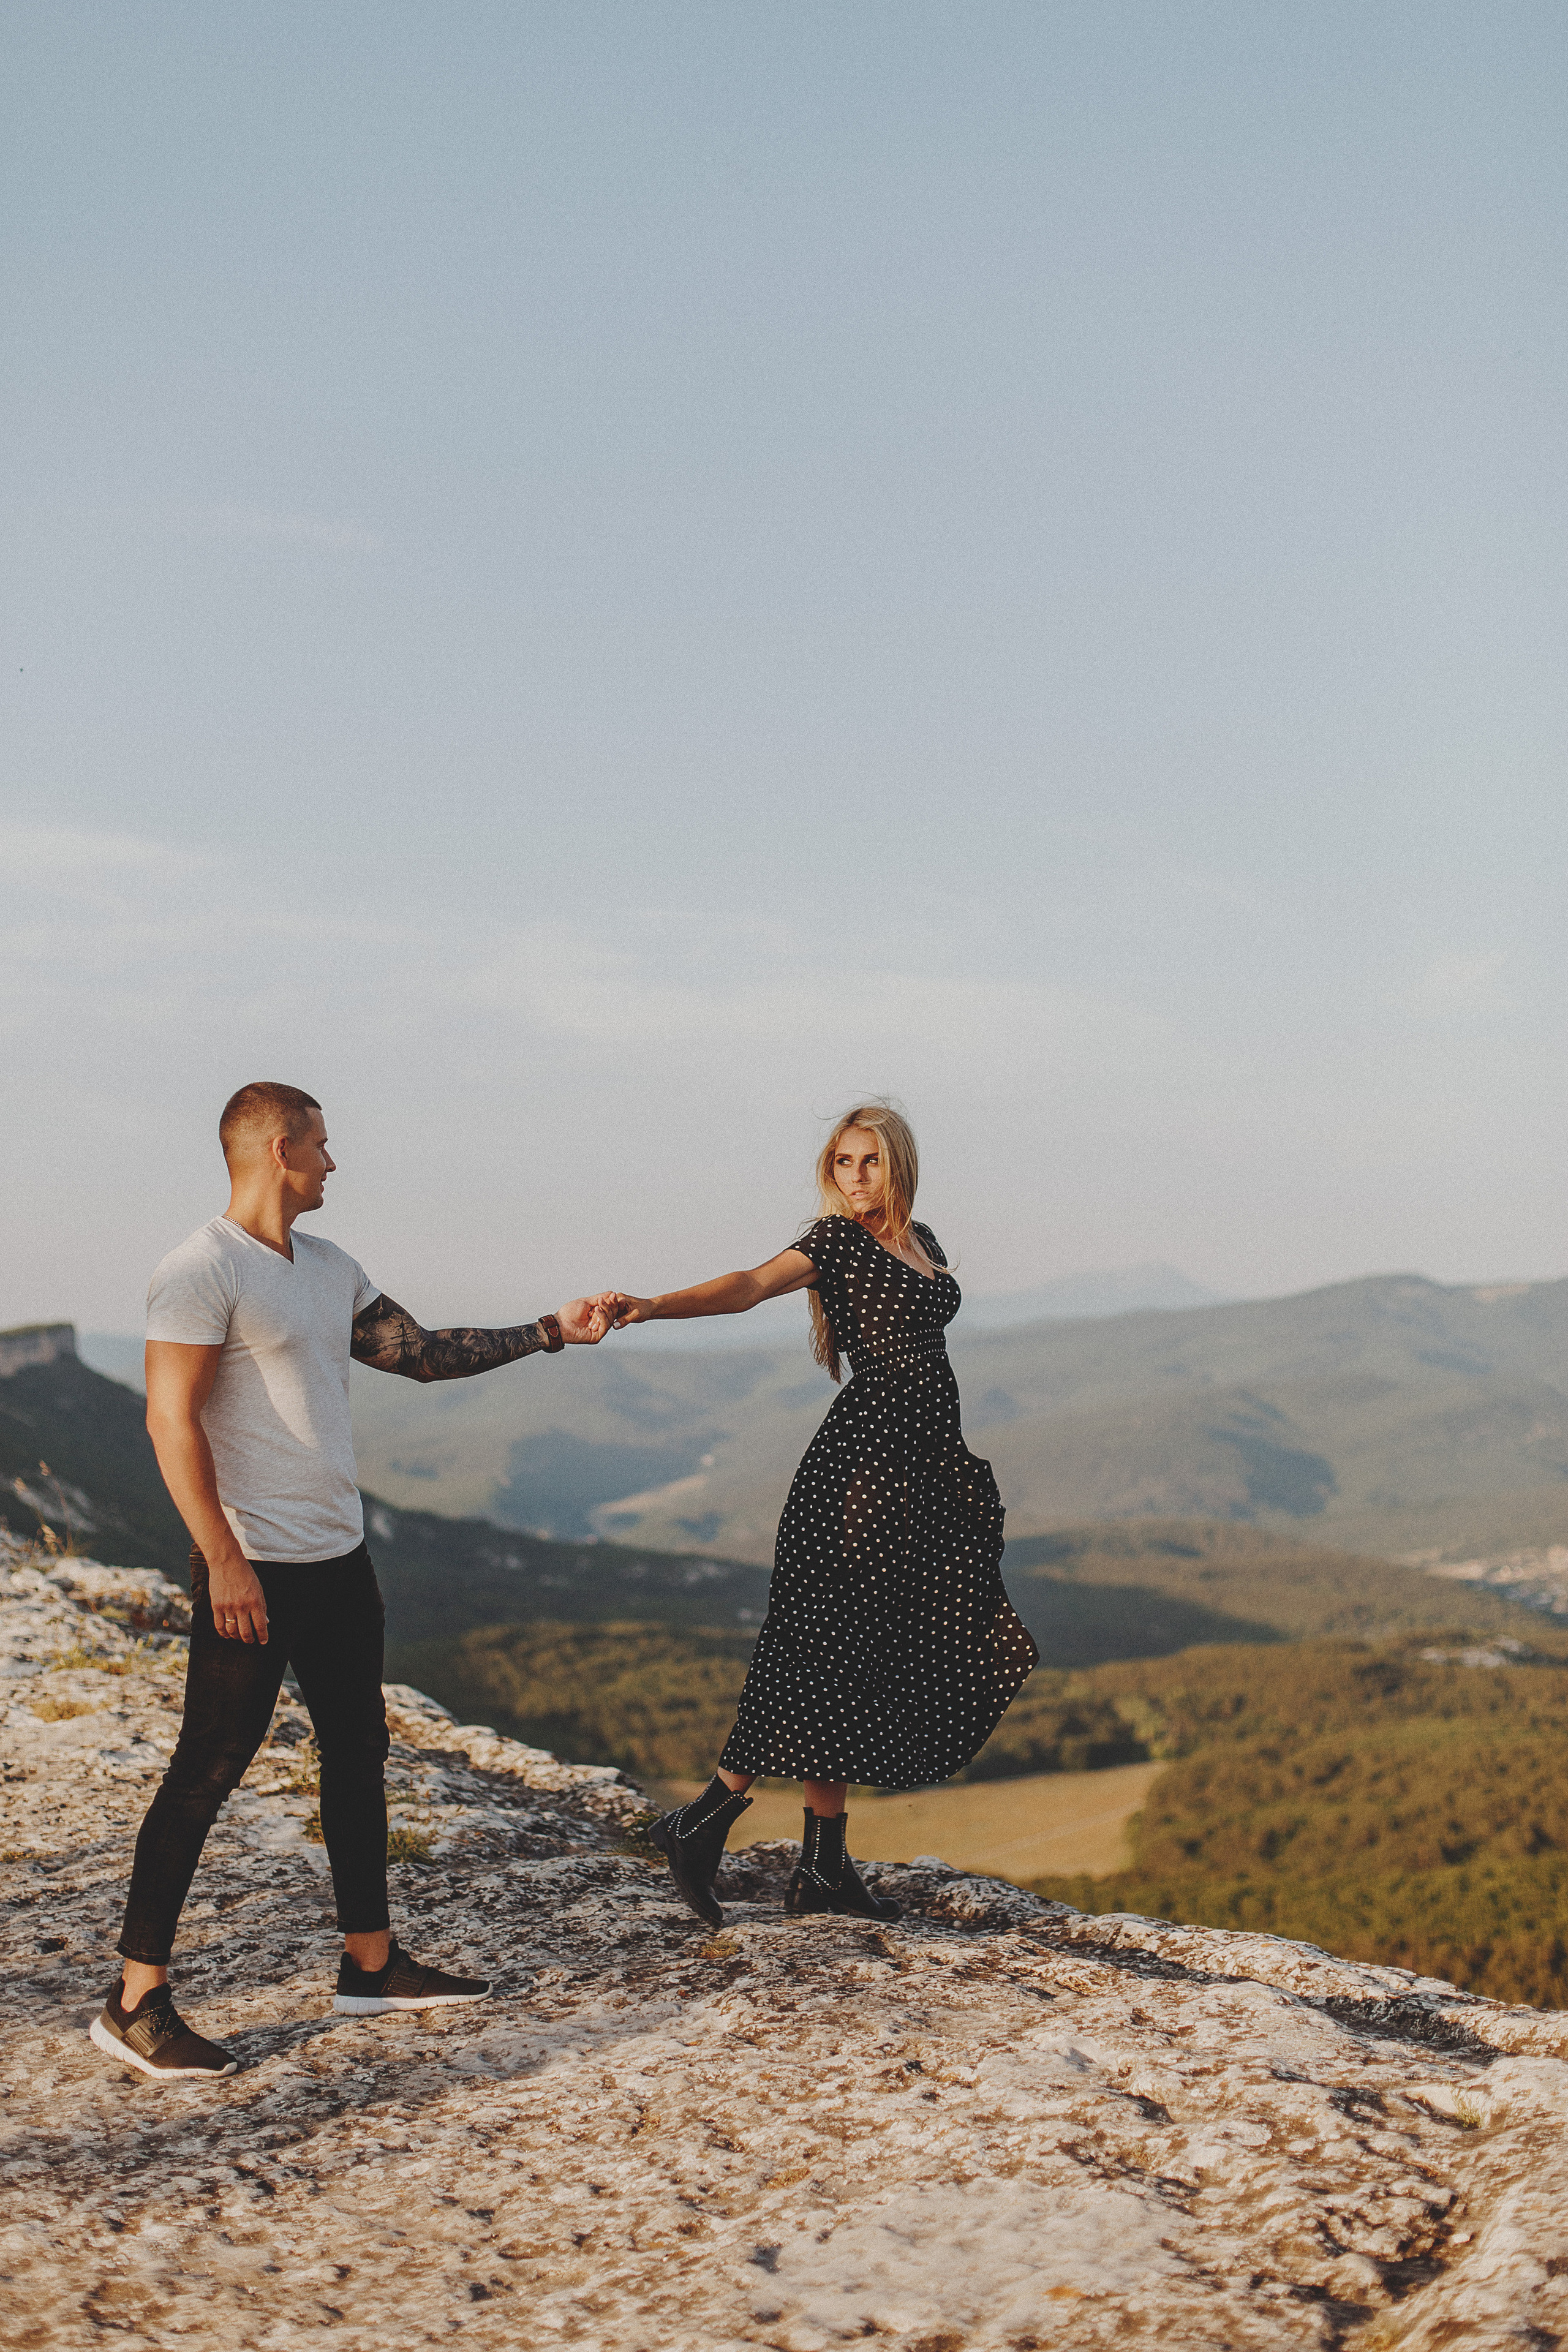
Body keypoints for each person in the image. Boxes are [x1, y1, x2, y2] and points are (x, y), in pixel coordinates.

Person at [92, 1080, 617, 2082]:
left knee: (358, 1753)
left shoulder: (328, 1267)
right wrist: (226, 1559)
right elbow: (170, 1423)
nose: (334, 1164)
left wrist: (553, 1329)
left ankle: (371, 1965)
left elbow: (418, 1355)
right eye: (323, 1147)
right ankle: (133, 1999)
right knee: (208, 1769)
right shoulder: (200, 1269)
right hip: (252, 1565)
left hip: (339, 1557)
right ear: (279, 1147)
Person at [609, 1101, 1038, 1929]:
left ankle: (821, 1865)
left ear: (898, 1165)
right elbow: (746, 1288)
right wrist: (651, 1305)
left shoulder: (925, 1241)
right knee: (825, 1646)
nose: (856, 1178)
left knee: (861, 1652)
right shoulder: (833, 1242)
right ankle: (707, 1821)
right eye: (843, 1164)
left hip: (921, 1469)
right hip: (863, 1472)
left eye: (870, 1162)